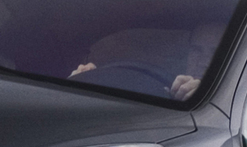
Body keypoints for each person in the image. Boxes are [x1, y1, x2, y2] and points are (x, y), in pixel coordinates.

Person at [71, 23, 222, 99]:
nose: (203, 61)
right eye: (197, 50)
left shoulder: (227, 101)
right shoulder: (158, 83)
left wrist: (203, 96)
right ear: (187, 53)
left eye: (215, 53)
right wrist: (78, 82)